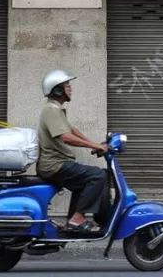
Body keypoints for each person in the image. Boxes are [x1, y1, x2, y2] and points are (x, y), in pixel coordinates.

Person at [36, 69, 111, 235]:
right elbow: (66, 137)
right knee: (98, 175)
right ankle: (77, 219)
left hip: (58, 164)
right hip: (54, 165)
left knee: (85, 182)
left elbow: (72, 129)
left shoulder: (56, 110)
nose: (70, 88)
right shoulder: (50, 110)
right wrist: (93, 146)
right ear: (57, 90)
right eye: (66, 85)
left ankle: (72, 223)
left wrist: (93, 144)